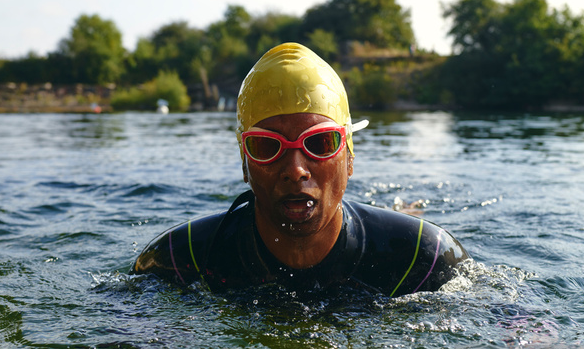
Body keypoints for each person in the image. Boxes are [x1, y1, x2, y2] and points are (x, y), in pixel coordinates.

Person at [131, 43, 468, 297]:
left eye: (319, 143)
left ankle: (401, 209)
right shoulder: (180, 259)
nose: (295, 170)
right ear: (245, 163)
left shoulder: (421, 258)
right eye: (267, 146)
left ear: (349, 157)